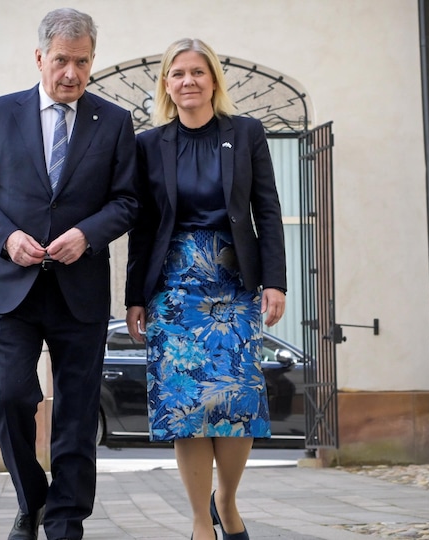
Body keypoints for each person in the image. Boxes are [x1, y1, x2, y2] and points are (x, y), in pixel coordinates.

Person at [0, 8, 138, 540]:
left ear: (92, 62)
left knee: (78, 414)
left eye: (82, 62)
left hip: (79, 290)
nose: (71, 74)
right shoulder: (0, 113)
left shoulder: (115, 122)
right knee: (12, 395)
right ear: (40, 57)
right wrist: (7, 236)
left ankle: (65, 524)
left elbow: (128, 200)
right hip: (12, 286)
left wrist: (88, 234)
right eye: (61, 60)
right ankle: (33, 498)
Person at [125, 38, 287, 540]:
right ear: (167, 86)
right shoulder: (150, 145)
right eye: (178, 74)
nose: (188, 81)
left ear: (213, 80)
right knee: (185, 406)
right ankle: (200, 523)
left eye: (198, 72)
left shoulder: (246, 133)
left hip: (234, 284)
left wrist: (275, 281)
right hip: (173, 289)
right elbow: (143, 225)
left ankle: (227, 502)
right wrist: (134, 295)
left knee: (237, 400)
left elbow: (267, 210)